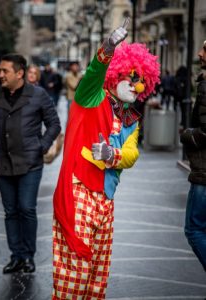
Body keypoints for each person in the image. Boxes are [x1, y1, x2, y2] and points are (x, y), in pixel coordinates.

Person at [52, 19, 160, 299]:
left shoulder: (131, 119)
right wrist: (108, 47)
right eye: (132, 78)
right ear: (118, 74)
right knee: (75, 269)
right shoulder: (92, 98)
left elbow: (132, 153)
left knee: (98, 275)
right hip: (79, 190)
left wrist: (114, 155)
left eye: (142, 83)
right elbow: (93, 73)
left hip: (106, 199)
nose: (136, 88)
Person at [0, 53, 61, 274]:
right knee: (10, 211)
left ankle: (28, 257)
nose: (0, 75)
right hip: (3, 161)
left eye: (5, 71)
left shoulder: (38, 95)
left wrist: (41, 146)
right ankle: (16, 256)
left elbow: (54, 124)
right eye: (0, 70)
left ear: (19, 73)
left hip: (30, 163)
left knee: (26, 208)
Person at [180, 40, 206, 272]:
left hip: (204, 171)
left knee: (194, 229)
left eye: (205, 49)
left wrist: (187, 134)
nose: (199, 53)